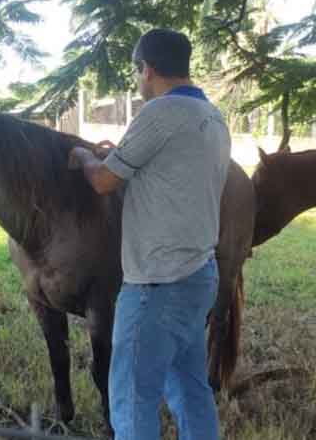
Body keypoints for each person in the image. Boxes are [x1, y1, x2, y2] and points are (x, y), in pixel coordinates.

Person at [68, 28, 230, 440]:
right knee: (190, 388)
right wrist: (116, 156)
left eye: (137, 73)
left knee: (133, 399)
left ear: (148, 69)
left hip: (157, 286)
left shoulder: (159, 113)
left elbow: (104, 181)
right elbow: (166, 170)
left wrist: (87, 157)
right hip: (199, 276)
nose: (138, 82)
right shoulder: (212, 118)